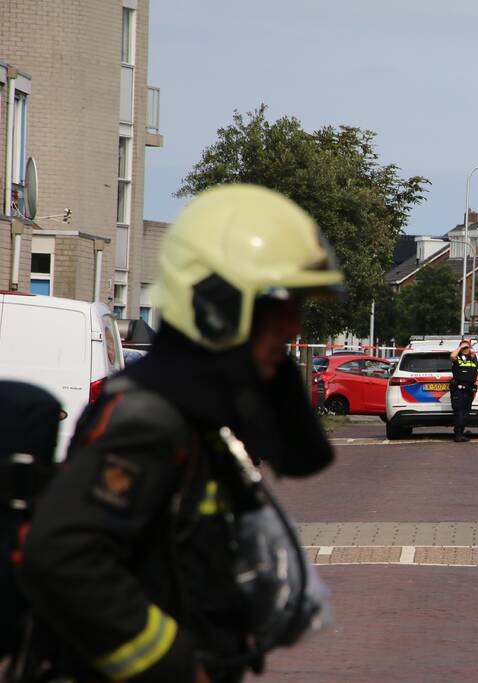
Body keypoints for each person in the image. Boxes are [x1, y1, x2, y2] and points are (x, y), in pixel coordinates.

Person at [15, 185, 344, 683]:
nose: (295, 327)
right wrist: (177, 665)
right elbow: (60, 555)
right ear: (221, 306)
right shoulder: (148, 419)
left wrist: (262, 360)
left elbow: (302, 457)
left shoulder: (198, 412)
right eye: (283, 308)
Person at [449, 338, 478, 443]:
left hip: (469, 389)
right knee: (459, 412)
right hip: (458, 389)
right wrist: (460, 347)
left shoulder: (472, 358)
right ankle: (457, 435)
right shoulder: (457, 358)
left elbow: (475, 371)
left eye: (467, 347)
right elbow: (452, 356)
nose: (466, 349)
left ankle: (461, 433)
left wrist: (476, 381)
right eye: (464, 347)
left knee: (466, 413)